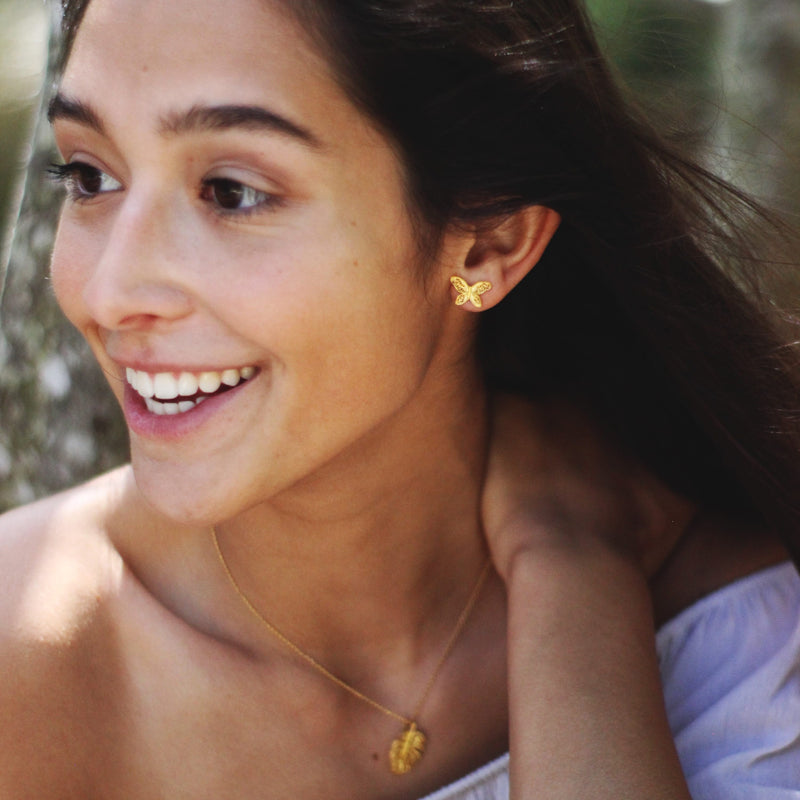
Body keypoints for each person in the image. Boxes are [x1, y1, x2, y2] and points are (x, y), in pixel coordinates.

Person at [1, 0, 798, 797]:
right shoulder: (28, 663)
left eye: (232, 192)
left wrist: (572, 570)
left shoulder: (740, 627)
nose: (110, 292)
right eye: (89, 176)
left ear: (490, 245)